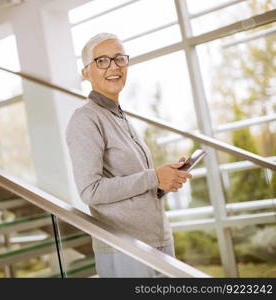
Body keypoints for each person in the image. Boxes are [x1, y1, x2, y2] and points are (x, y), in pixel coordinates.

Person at [65, 33, 192, 278]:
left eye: (119, 59)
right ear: (86, 72)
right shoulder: (86, 119)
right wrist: (153, 177)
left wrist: (164, 180)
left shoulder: (120, 116)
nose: (113, 67)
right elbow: (90, 190)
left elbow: (136, 183)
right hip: (124, 248)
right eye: (102, 61)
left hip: (156, 241)